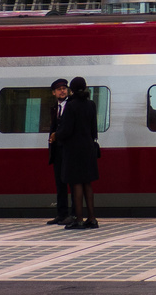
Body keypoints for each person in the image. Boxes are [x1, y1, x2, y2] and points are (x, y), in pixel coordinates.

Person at [54, 76, 100, 229]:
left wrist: (56, 135)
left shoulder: (71, 106)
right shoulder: (91, 105)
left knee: (76, 183)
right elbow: (94, 129)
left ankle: (79, 219)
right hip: (88, 148)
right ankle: (92, 218)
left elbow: (66, 130)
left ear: (71, 90)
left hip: (74, 149)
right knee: (87, 183)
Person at [42, 78, 71, 225]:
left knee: (71, 182)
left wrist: (57, 136)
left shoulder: (72, 106)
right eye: (59, 89)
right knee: (59, 183)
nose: (62, 91)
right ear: (54, 92)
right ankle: (61, 213)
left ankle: (72, 214)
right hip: (57, 151)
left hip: (69, 150)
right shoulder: (55, 108)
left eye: (64, 88)